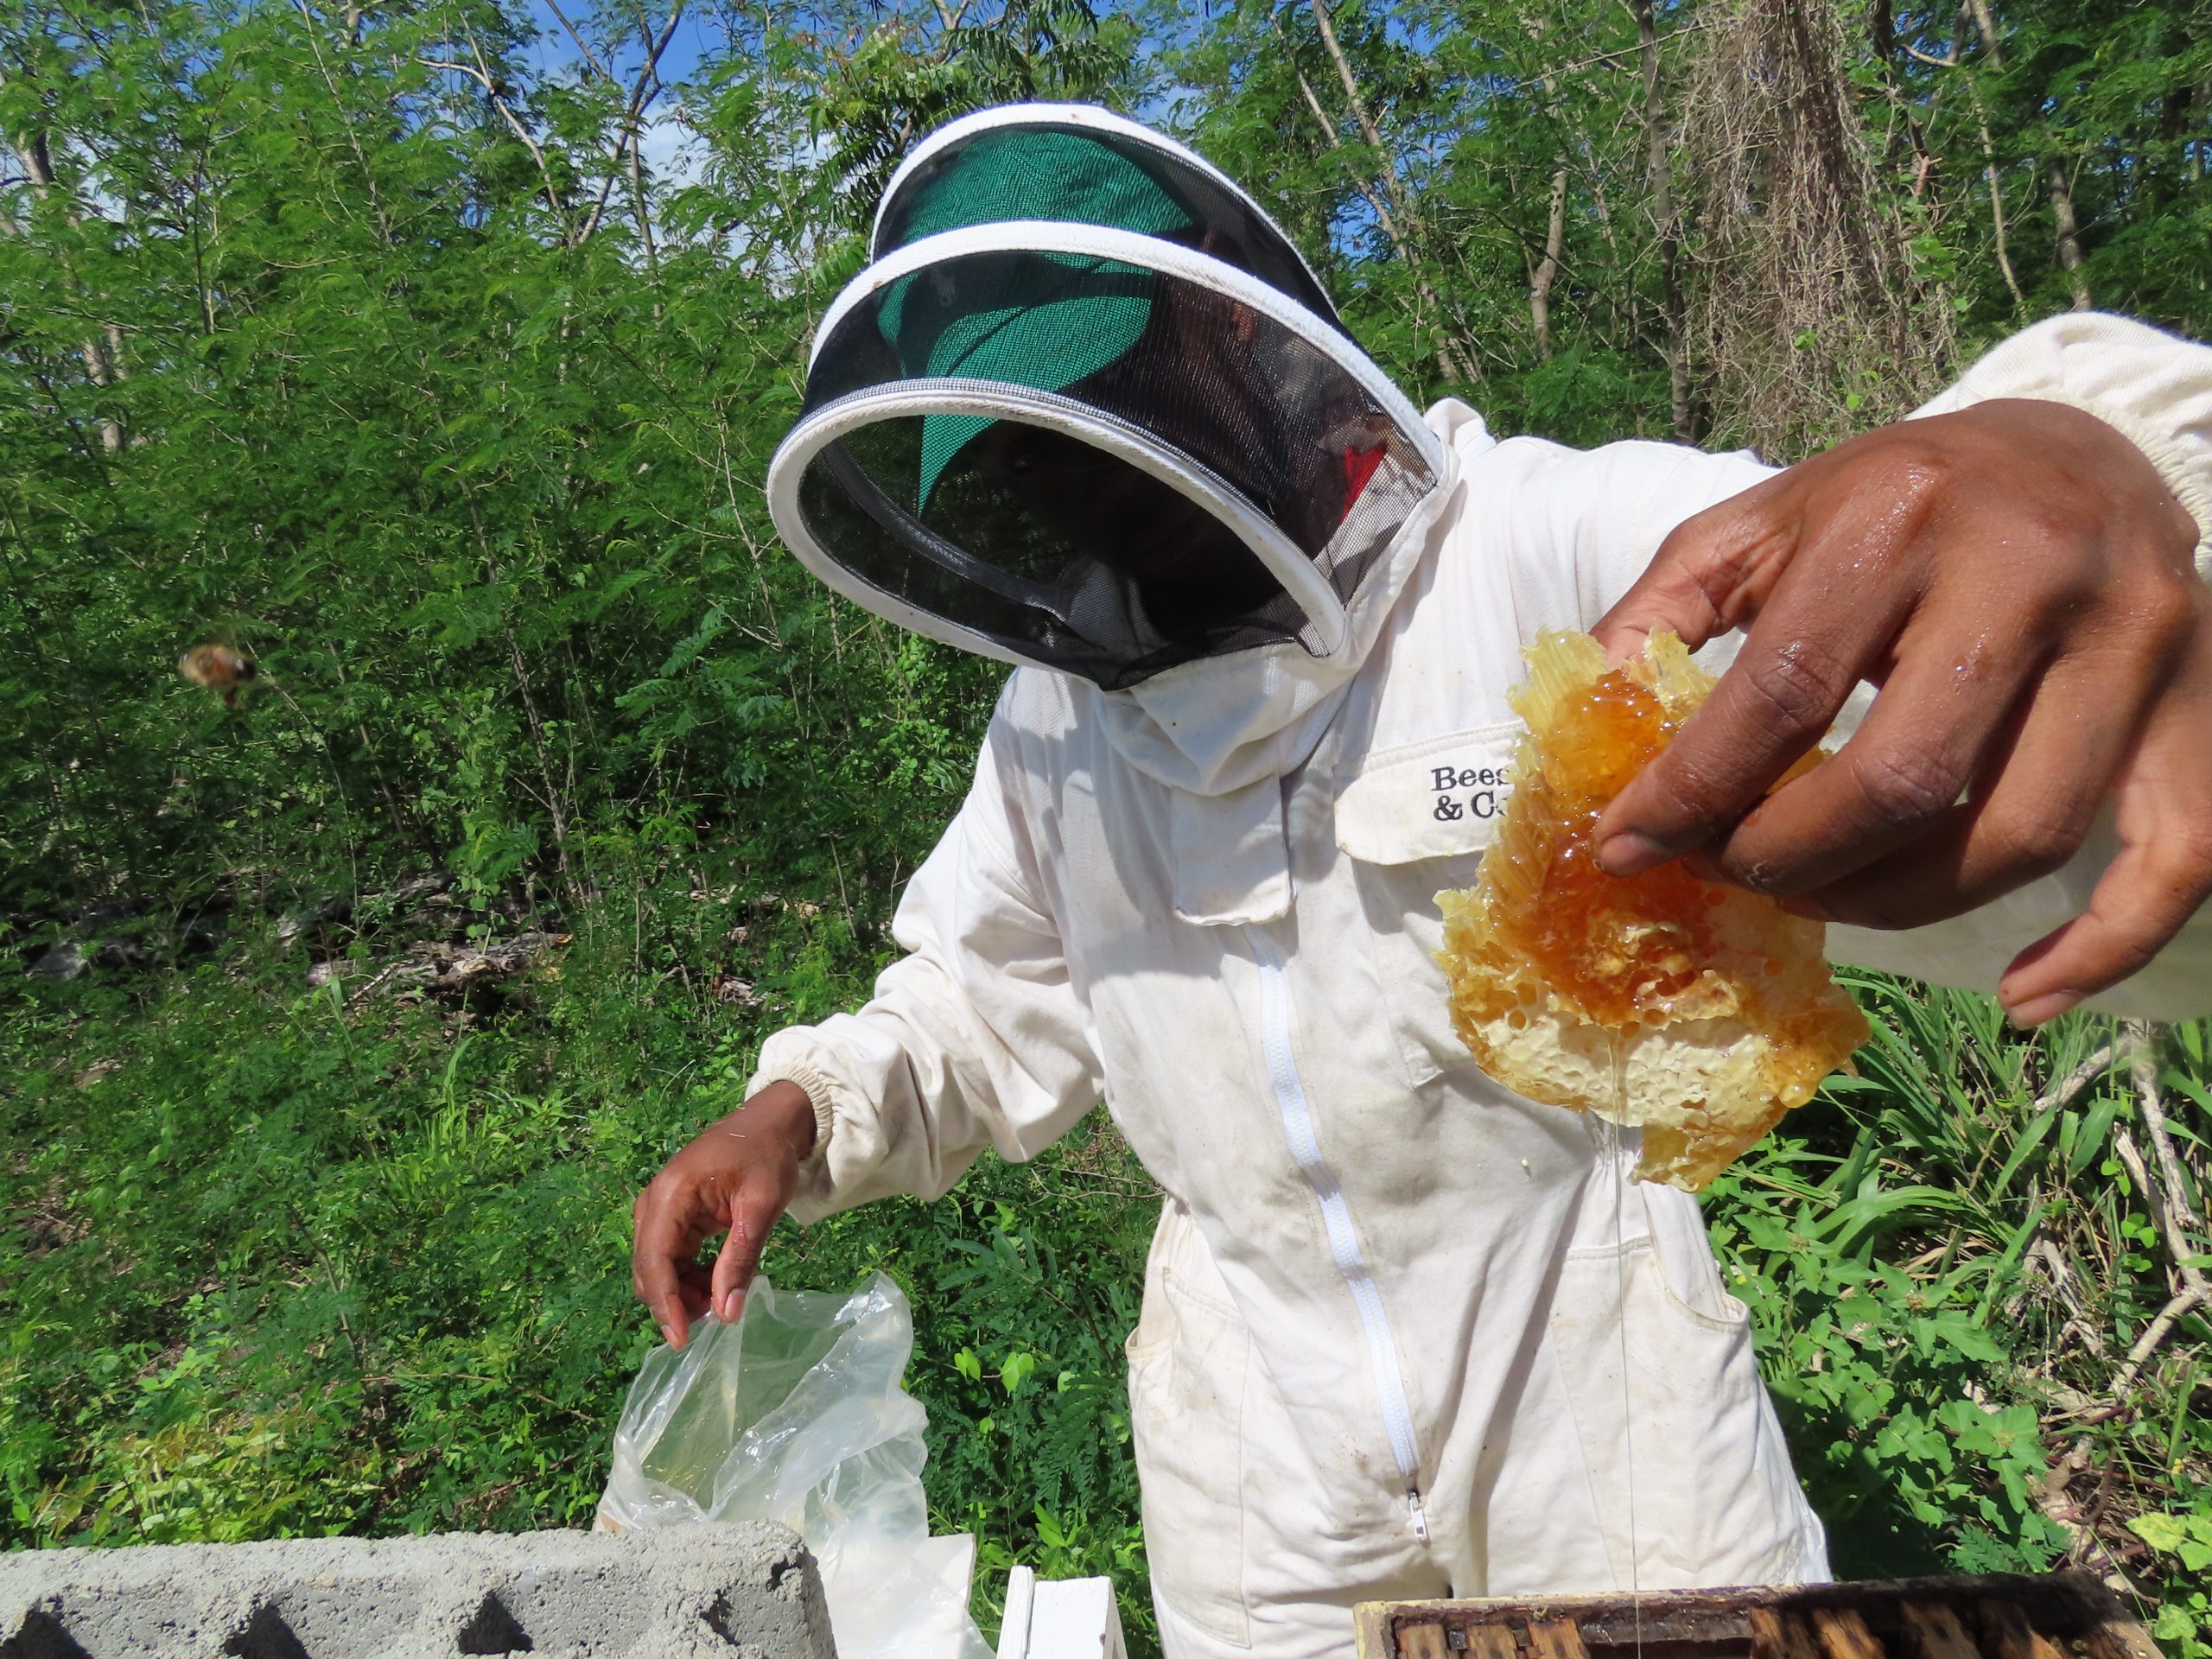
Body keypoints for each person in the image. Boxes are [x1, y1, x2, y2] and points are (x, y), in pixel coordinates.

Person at [632, 105, 2212, 1659]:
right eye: (1028, 459)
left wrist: (2096, 465)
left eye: (1104, 404)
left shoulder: (1550, 546)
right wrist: (805, 1113)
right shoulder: (1056, 726)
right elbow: (984, 1001)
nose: (1081, 488)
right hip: (1251, 1442)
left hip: (1592, 1375)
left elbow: (1962, 656)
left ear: (1221, 343)